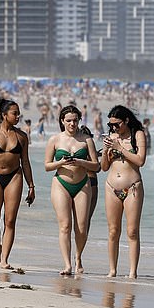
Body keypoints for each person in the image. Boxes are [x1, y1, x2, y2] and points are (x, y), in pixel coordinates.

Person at [0, 99, 35, 269]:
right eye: (14, 113)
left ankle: (5, 259)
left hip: (14, 177)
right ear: (4, 115)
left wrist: (31, 186)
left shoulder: (21, 136)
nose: (18, 116)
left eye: (18, 113)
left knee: (9, 221)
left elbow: (25, 162)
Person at [44, 106, 99, 275]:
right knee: (65, 226)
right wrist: (60, 163)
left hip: (82, 183)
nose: (72, 123)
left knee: (81, 227)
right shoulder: (54, 139)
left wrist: (81, 162)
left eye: (75, 120)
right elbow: (47, 166)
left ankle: (78, 257)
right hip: (61, 183)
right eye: (68, 120)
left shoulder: (86, 140)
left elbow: (97, 166)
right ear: (62, 121)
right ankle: (67, 264)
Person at [101, 105, 147, 279]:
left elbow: (140, 160)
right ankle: (112, 270)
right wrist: (106, 150)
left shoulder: (138, 135)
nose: (113, 128)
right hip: (112, 187)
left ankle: (132, 272)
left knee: (132, 231)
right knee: (113, 230)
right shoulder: (111, 137)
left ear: (126, 121)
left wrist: (120, 148)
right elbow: (104, 167)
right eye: (111, 125)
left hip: (133, 187)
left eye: (117, 124)